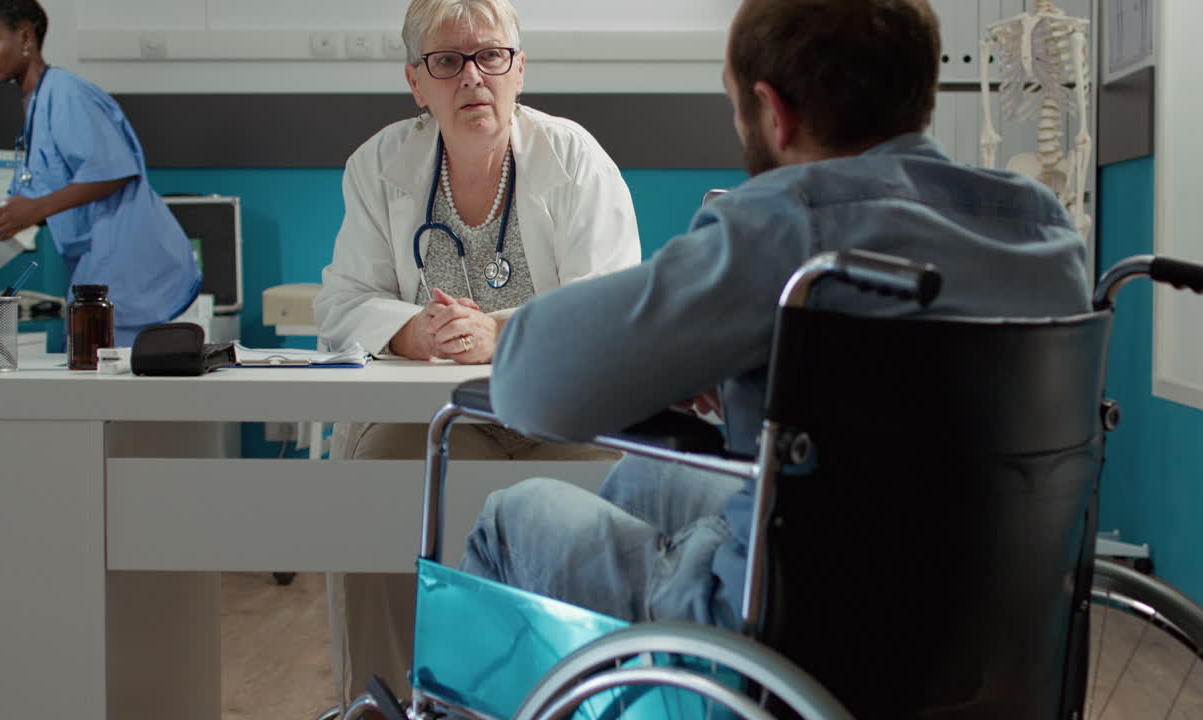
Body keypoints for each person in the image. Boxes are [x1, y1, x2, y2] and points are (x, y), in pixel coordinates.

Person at [459, 0, 1093, 634]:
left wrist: (517, 331)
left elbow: (528, 388)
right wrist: (751, 375)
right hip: (993, 620)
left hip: (798, 628)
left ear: (775, 112)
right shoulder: (1043, 228)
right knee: (650, 477)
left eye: (739, 108)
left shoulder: (788, 224)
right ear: (920, 94)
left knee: (509, 519)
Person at [312, 0, 640, 705]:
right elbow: (341, 301)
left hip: (560, 418)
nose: (472, 77)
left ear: (518, 70)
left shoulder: (573, 157)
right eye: (446, 60)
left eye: (491, 56)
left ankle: (575, 702)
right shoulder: (379, 166)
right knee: (376, 487)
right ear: (416, 82)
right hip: (437, 418)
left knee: (615, 509)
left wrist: (505, 332)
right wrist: (409, 331)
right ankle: (387, 702)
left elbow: (613, 305)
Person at [0, 0, 201, 347]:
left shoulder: (66, 93)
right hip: (94, 265)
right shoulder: (37, 104)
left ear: (24, 37)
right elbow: (56, 187)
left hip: (123, 262)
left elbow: (113, 171)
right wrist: (13, 216)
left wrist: (36, 210)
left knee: (108, 376)